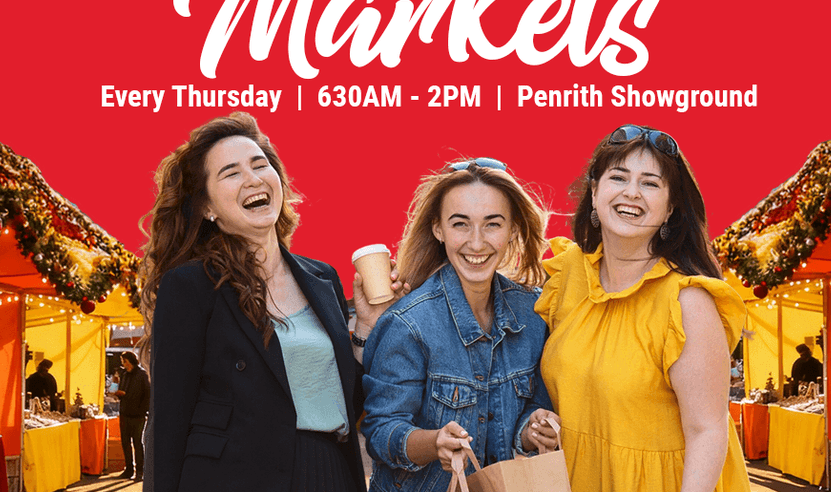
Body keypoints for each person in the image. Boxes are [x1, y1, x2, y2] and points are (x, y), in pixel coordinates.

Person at [140, 112, 398, 492]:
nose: (253, 178)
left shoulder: (322, 277)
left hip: (330, 471)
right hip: (233, 478)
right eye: (231, 173)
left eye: (260, 165)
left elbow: (343, 403)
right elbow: (168, 420)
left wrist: (364, 327)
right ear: (207, 207)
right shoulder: (191, 286)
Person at [535, 125, 750, 492]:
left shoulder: (687, 302)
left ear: (670, 209)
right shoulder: (565, 275)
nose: (631, 192)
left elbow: (708, 433)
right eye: (618, 177)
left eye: (650, 183)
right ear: (595, 189)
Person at [362, 158, 560, 492]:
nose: (477, 242)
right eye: (460, 224)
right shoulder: (409, 324)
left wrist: (533, 429)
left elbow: (529, 409)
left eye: (493, 224)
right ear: (438, 229)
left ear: (513, 229)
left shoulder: (534, 313)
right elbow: (382, 432)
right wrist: (432, 442)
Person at [115, 351, 150, 480]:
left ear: (132, 361)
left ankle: (140, 471)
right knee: (125, 442)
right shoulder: (124, 374)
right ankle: (129, 469)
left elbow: (147, 394)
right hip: (125, 412)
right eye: (123, 362)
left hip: (138, 415)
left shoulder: (142, 375)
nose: (124, 365)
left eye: (125, 361)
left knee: (137, 443)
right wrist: (118, 393)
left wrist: (143, 410)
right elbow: (121, 390)